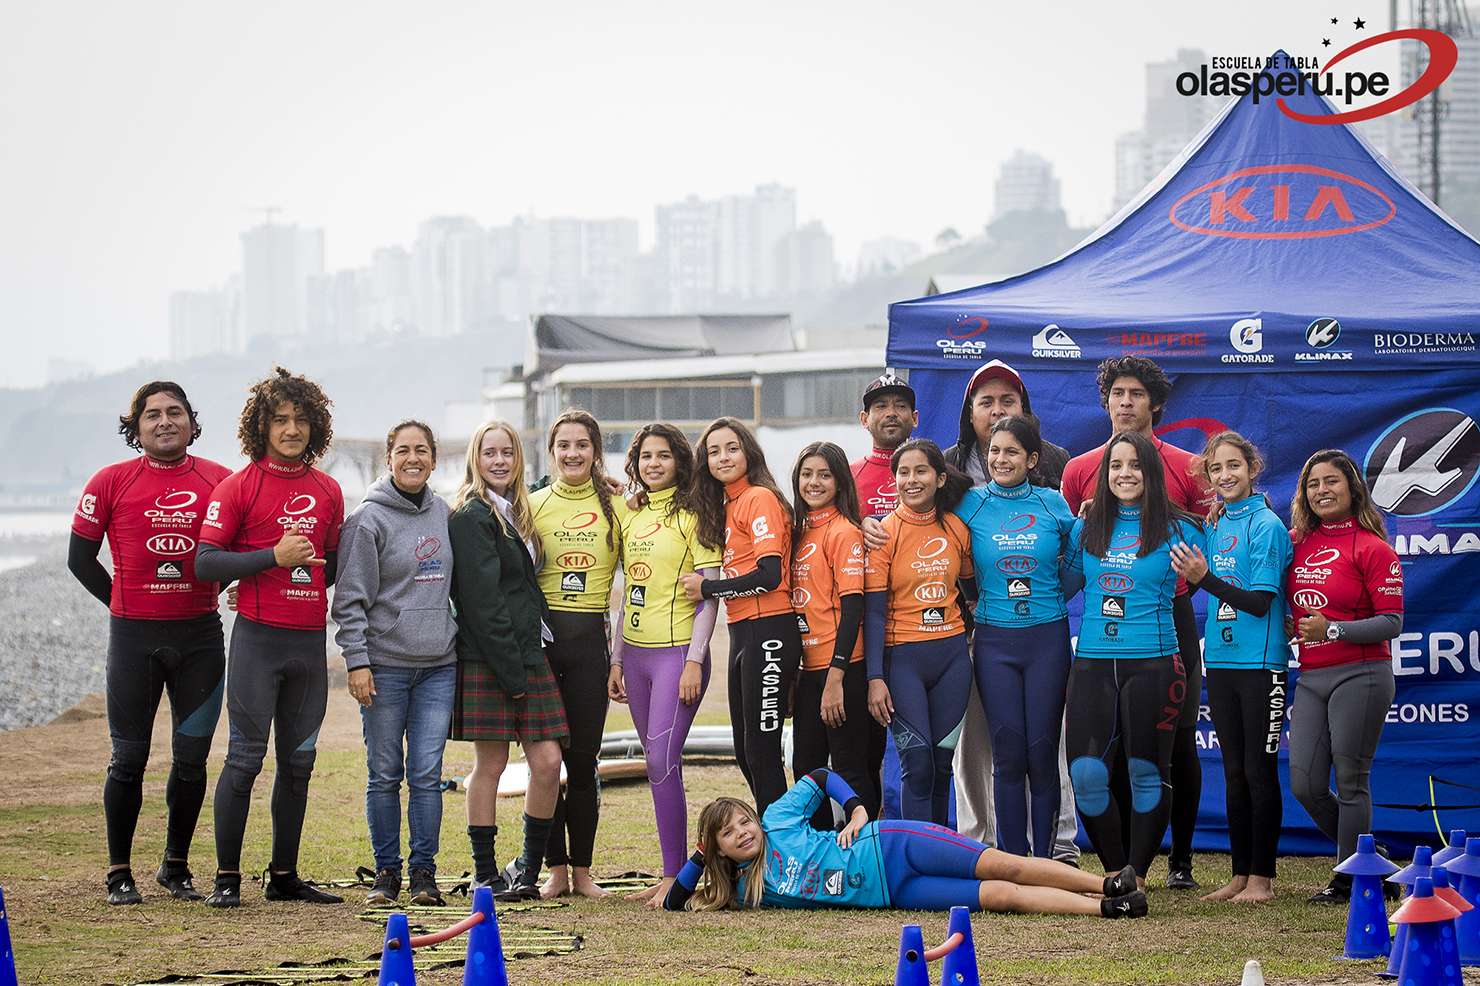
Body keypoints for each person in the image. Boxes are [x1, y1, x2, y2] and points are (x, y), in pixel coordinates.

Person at [69, 381, 231, 905]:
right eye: (152, 414)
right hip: (133, 638)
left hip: (200, 637)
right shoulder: (110, 481)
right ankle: (119, 872)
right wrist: (125, 601)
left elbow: (241, 549)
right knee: (128, 758)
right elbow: (79, 559)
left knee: (191, 758)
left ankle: (175, 867)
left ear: (190, 420)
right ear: (135, 427)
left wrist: (215, 586)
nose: (165, 421)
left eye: (175, 412)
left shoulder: (219, 480)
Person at [1059, 356, 1213, 890]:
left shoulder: (1180, 529)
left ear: (1152, 473)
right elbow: (1060, 587)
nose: (1125, 474)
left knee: (1151, 770)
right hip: (1095, 663)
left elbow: (1204, 579)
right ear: (1103, 475)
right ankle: (1112, 870)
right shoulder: (1086, 527)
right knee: (1087, 772)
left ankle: (1142, 872)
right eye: (1116, 467)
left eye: (1136, 467)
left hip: (1156, 661)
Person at [194, 367, 344, 907]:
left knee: (299, 763)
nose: (291, 429)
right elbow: (205, 563)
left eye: (301, 420)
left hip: (308, 645)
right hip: (258, 643)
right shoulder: (238, 487)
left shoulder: (329, 491)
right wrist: (267, 561)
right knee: (244, 759)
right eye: (279, 419)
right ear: (261, 426)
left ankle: (283, 877)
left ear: (316, 427)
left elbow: (329, 568)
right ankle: (227, 878)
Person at [661, 768, 1147, 918]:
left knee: (1007, 867)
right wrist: (701, 851)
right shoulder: (751, 890)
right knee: (1001, 898)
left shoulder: (778, 820)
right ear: (720, 849)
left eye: (742, 821)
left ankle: (1105, 883)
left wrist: (855, 810)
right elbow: (675, 904)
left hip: (893, 845)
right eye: (728, 833)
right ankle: (1109, 910)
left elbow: (822, 775)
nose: (743, 832)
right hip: (893, 893)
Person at [940, 360, 1081, 864]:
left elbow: (1080, 564)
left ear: (1032, 457)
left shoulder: (1053, 503)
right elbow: (943, 550)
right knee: (1007, 754)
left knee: (1044, 752)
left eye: (1012, 452)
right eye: (995, 451)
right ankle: (1012, 859)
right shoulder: (967, 503)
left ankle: (1050, 859)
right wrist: (975, 595)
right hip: (992, 641)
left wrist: (1047, 596)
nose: (1001, 459)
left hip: (1046, 638)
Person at [332, 420, 457, 908]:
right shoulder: (367, 520)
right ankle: (387, 874)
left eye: (421, 450)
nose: (413, 458)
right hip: (384, 667)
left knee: (426, 773)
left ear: (433, 458)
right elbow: (349, 601)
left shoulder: (444, 513)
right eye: (403, 450)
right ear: (389, 459)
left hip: (438, 666)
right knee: (384, 773)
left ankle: (425, 874)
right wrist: (357, 662)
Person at [447, 421, 567, 902]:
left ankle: (527, 869)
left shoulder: (516, 510)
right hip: (494, 657)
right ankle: (485, 873)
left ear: (518, 458)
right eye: (489, 453)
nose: (499, 461)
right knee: (490, 764)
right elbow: (481, 603)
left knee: (547, 762)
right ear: (476, 459)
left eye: (507, 453)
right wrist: (513, 673)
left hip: (527, 652)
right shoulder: (470, 516)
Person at [1169, 432, 1292, 904]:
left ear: (1252, 468)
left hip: (1261, 665)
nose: (1225, 476)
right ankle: (1240, 877)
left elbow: (1260, 603)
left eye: (1233, 466)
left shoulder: (1266, 526)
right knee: (1235, 771)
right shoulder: (1217, 523)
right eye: (1217, 469)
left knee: (1260, 771)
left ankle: (1262, 878)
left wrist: (1205, 580)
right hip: (1219, 661)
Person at [607, 423, 722, 908]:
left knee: (659, 760)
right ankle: (667, 869)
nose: (654, 464)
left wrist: (695, 660)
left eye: (664, 456)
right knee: (659, 765)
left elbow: (709, 597)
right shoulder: (629, 513)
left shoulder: (697, 515)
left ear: (680, 460)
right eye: (646, 456)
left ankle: (678, 875)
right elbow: (627, 591)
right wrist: (615, 658)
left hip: (678, 656)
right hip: (633, 655)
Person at [1285, 449, 1403, 905]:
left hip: (1362, 672)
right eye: (1313, 484)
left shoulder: (1373, 547)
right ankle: (1370, 855)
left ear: (1352, 488)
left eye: (1331, 481)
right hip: (1312, 675)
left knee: (1351, 780)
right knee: (1306, 784)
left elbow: (1391, 622)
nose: (1321, 491)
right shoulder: (1298, 542)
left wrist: (1333, 628)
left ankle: (1350, 877)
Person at [528, 410, 627, 899]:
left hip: (591, 645)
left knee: (583, 762)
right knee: (545, 763)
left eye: (582, 445)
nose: (572, 454)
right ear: (551, 452)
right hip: (543, 647)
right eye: (563, 445)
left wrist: (618, 660)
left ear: (595, 450)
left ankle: (583, 871)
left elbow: (638, 579)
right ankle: (556, 870)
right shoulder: (532, 505)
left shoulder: (617, 505)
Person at [683, 417, 801, 818]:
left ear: (748, 451)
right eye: (713, 451)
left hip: (770, 631)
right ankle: (776, 840)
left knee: (762, 752)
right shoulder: (728, 504)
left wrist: (709, 589)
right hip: (743, 633)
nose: (723, 457)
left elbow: (770, 576)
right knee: (746, 751)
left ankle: (785, 849)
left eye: (731, 448)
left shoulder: (759, 498)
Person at [863, 439, 975, 825]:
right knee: (918, 765)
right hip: (902, 660)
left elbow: (971, 590)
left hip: (952, 659)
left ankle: (941, 861)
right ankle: (916, 860)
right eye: (903, 473)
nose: (911, 480)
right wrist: (875, 677)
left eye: (921, 471)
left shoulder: (958, 529)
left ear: (940, 478)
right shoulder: (882, 534)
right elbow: (874, 614)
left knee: (943, 766)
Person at [788, 441, 876, 820]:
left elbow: (854, 607)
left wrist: (835, 677)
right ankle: (822, 852)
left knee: (851, 766)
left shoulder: (844, 532)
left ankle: (867, 854)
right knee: (806, 771)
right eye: (807, 474)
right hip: (808, 672)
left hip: (842, 671)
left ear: (840, 482)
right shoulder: (797, 531)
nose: (814, 482)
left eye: (824, 474)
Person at [851, 371, 916, 820]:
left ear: (915, 416)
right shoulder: (848, 476)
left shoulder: (938, 473)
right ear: (864, 418)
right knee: (864, 745)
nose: (890, 413)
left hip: (924, 630)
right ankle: (867, 837)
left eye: (899, 405)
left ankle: (924, 835)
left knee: (925, 746)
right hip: (860, 631)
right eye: (880, 406)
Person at [943, 359, 1070, 489]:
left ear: (1023, 409)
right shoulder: (947, 463)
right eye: (987, 403)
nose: (998, 411)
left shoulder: (1056, 459)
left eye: (1008, 402)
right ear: (970, 414)